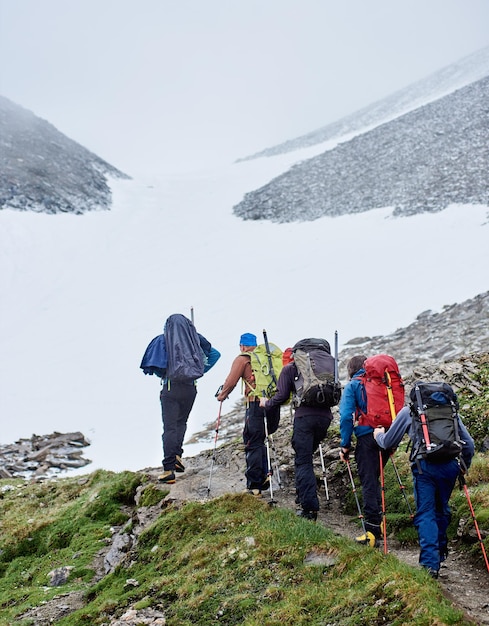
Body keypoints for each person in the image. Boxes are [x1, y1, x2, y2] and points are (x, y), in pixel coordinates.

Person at [373, 389, 474, 578]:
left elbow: (387, 442)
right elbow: (469, 444)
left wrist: (378, 434)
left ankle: (430, 565)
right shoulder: (450, 412)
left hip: (424, 467)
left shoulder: (409, 411)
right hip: (450, 466)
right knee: (441, 508)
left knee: (426, 513)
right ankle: (440, 552)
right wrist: (463, 466)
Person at [260, 339, 335, 520]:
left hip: (304, 419)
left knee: (303, 461)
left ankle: (309, 508)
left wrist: (266, 403)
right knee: (306, 456)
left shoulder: (291, 368)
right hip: (325, 419)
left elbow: (281, 396)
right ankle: (302, 496)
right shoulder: (328, 365)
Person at [158, 314, 220, 484]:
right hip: (190, 388)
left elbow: (156, 363)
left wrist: (164, 375)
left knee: (170, 427)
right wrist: (197, 371)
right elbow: (215, 354)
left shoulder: (164, 340)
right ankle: (177, 456)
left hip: (170, 387)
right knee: (181, 423)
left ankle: (168, 470)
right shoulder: (195, 338)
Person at [216, 333, 277, 496]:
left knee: (252, 440)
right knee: (261, 439)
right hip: (273, 403)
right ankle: (265, 475)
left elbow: (231, 381)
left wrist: (222, 395)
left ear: (242, 345)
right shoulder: (267, 357)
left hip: (256, 403)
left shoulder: (243, 359)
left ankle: (255, 485)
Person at [339, 355, 390, 546]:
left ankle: (371, 532)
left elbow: (346, 416)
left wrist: (345, 444)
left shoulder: (353, 385)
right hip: (386, 436)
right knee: (375, 479)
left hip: (367, 438)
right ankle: (380, 523)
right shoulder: (383, 383)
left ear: (351, 369)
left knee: (368, 481)